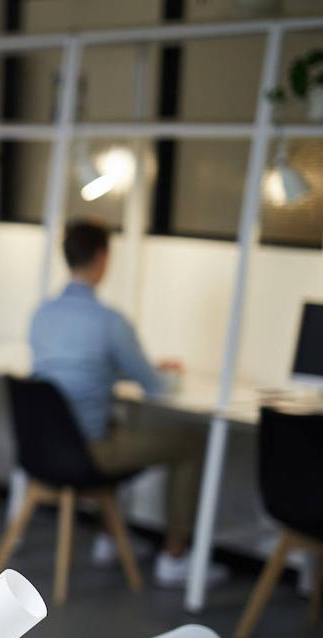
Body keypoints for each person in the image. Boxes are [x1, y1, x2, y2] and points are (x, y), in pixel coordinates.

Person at [29, 218, 226, 588]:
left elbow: (78, 369)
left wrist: (122, 371)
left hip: (45, 448)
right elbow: (155, 387)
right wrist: (167, 374)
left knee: (117, 426)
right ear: (103, 257)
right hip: (88, 451)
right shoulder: (109, 321)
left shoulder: (42, 313)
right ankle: (175, 557)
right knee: (190, 442)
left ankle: (110, 536)